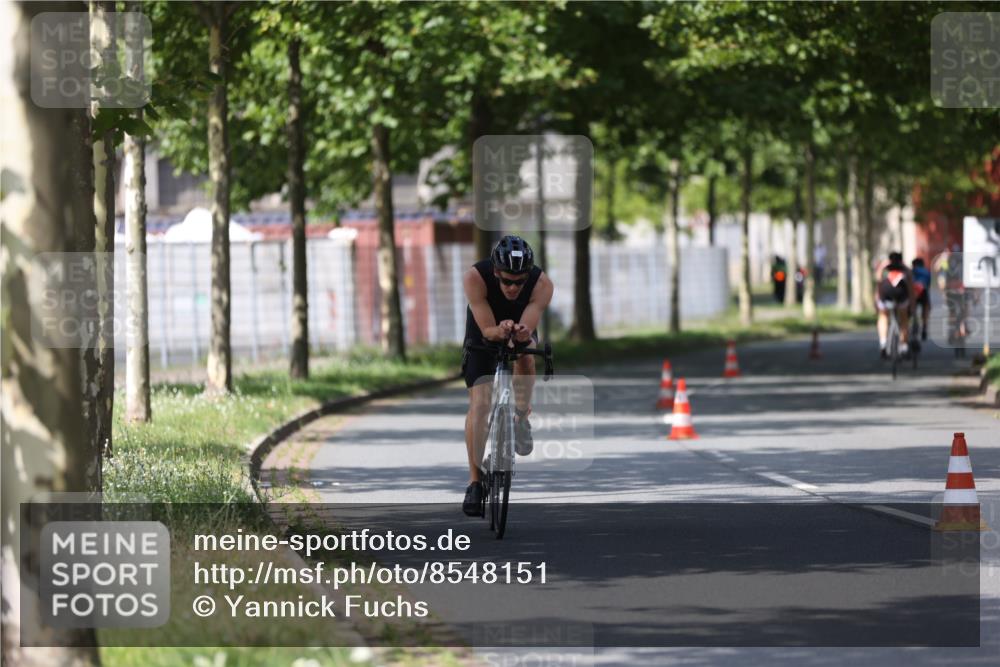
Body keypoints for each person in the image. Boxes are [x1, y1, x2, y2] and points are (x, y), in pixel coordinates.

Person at [461, 235, 554, 516]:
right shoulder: (475, 278)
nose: (513, 287)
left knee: (526, 355)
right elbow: (488, 330)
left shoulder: (542, 284)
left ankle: (521, 416)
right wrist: (497, 331)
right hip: (484, 329)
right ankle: (475, 482)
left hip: (521, 327)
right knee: (480, 404)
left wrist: (522, 332)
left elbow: (530, 321)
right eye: (507, 281)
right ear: (495, 272)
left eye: (519, 281)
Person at [874, 251, 915, 359]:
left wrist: (877, 300)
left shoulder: (885, 268)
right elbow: (911, 289)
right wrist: (912, 304)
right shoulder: (905, 269)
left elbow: (878, 281)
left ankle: (883, 343)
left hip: (885, 290)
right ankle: (904, 346)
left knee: (883, 316)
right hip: (901, 292)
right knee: (904, 319)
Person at [911, 257, 931, 341]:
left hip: (914, 291)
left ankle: (915, 320)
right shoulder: (927, 272)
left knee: (913, 307)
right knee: (926, 307)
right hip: (923, 290)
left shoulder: (911, 271)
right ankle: (924, 326)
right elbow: (928, 284)